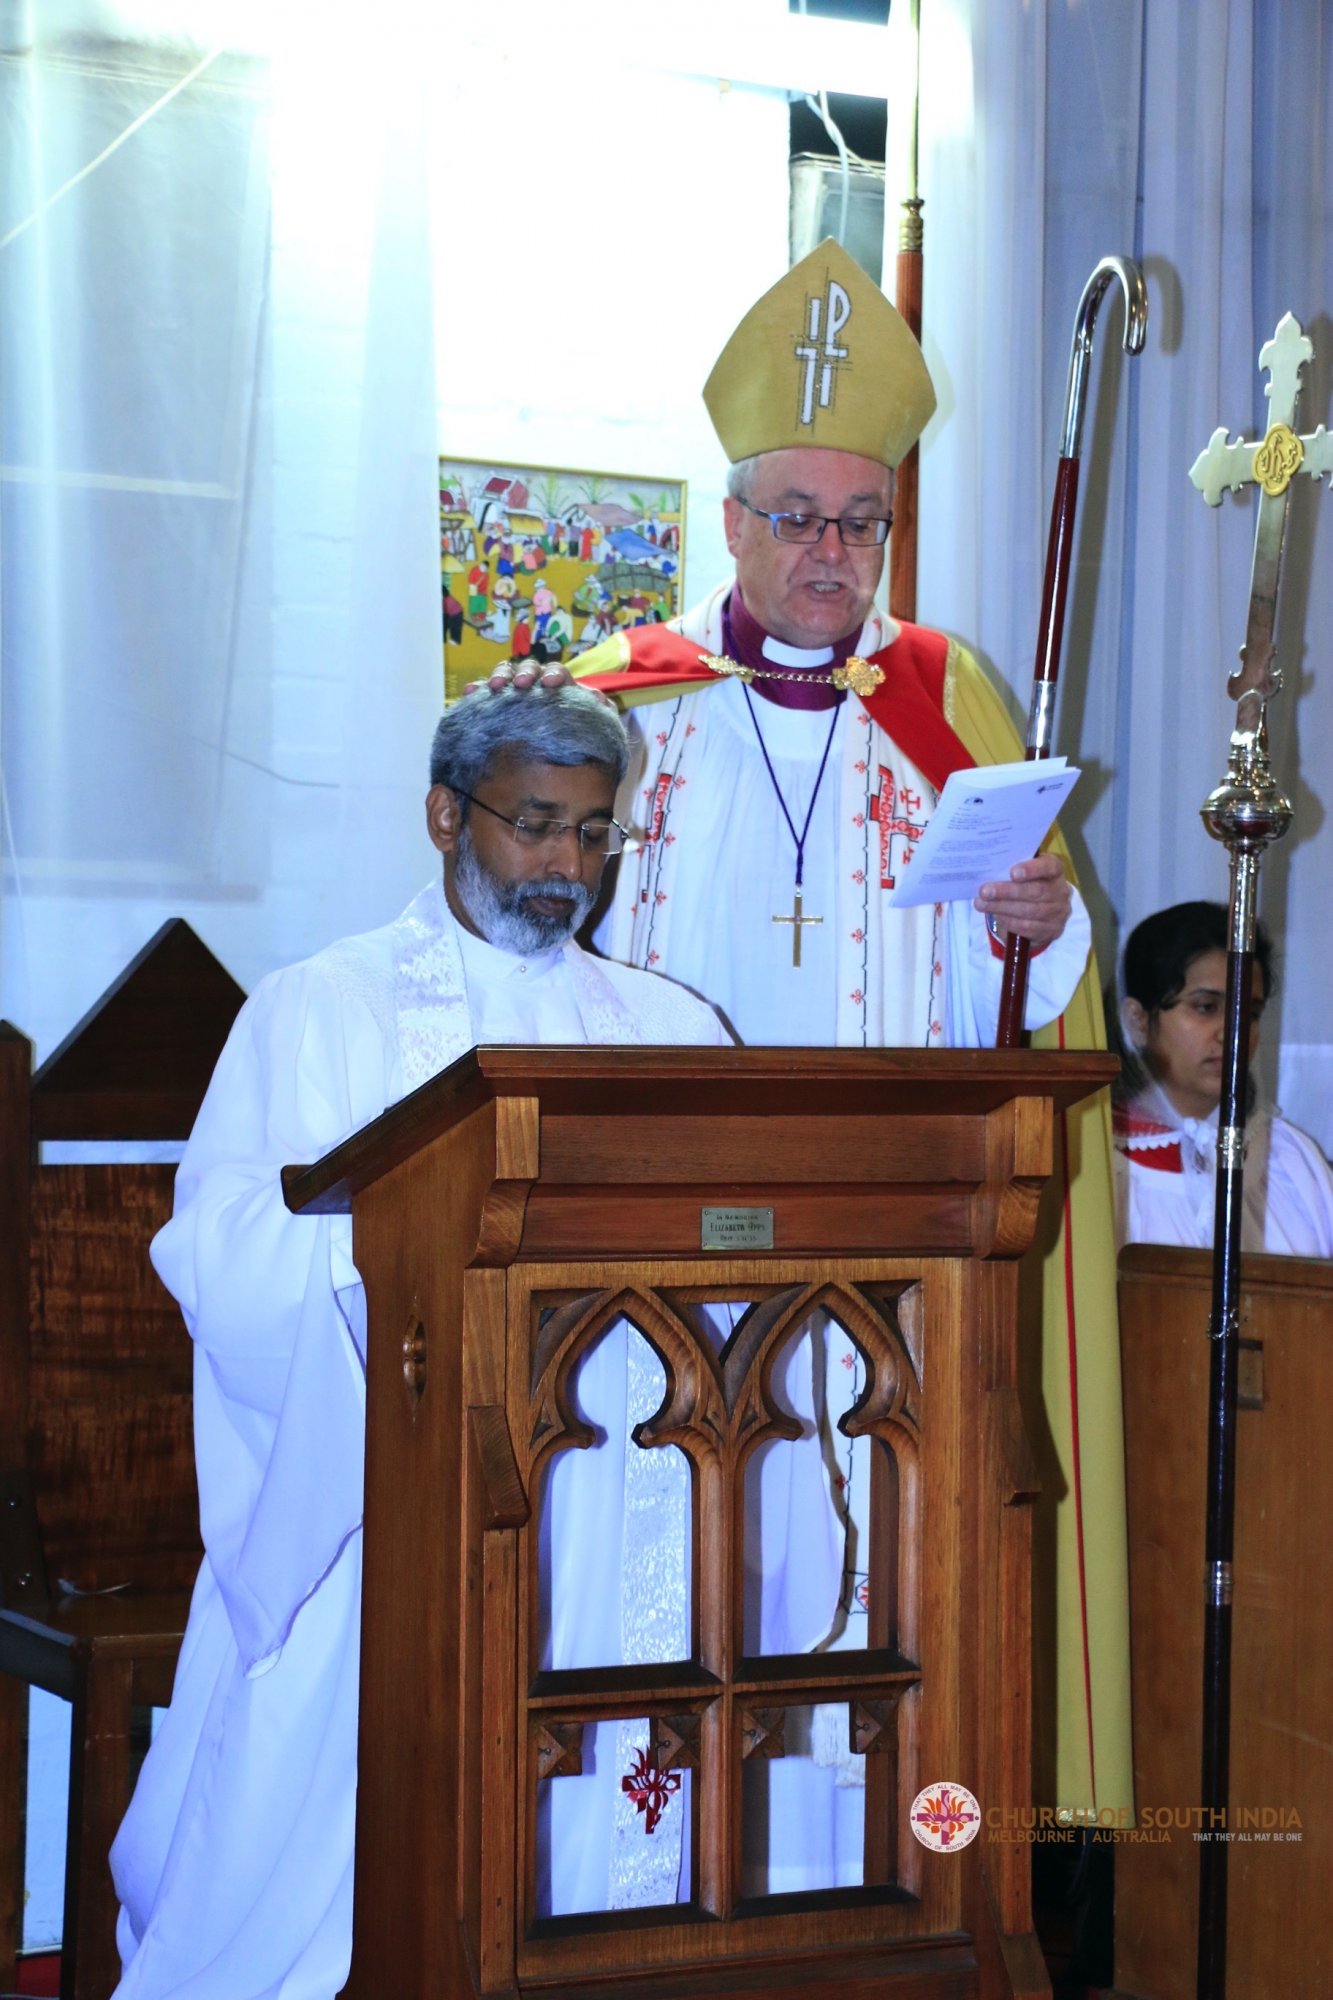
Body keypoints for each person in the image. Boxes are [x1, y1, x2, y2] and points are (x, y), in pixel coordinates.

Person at [485, 237, 1130, 1819]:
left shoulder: (946, 697)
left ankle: (866, 1887)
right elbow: (511, 946)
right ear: (730, 522)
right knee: (663, 1585)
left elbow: (1021, 997)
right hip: (648, 1245)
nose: (833, 552)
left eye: (863, 520)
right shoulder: (618, 705)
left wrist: (1035, 929)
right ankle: (638, 1874)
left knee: (861, 1608)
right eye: (798, 517)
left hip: (882, 1256)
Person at [109, 686, 729, 2000]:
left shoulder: (670, 1027)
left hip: (616, 1481)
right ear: (446, 815)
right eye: (534, 824)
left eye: (594, 833)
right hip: (386, 1479)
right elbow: (219, 1241)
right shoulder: (320, 1007)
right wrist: (395, 1237)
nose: (567, 864)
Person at [1114, 900, 1333, 1256]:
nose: (1233, 1034)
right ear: (1137, 1021)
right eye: (1206, 1007)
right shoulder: (1101, 1166)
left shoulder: (1289, 1161)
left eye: (1251, 1013)